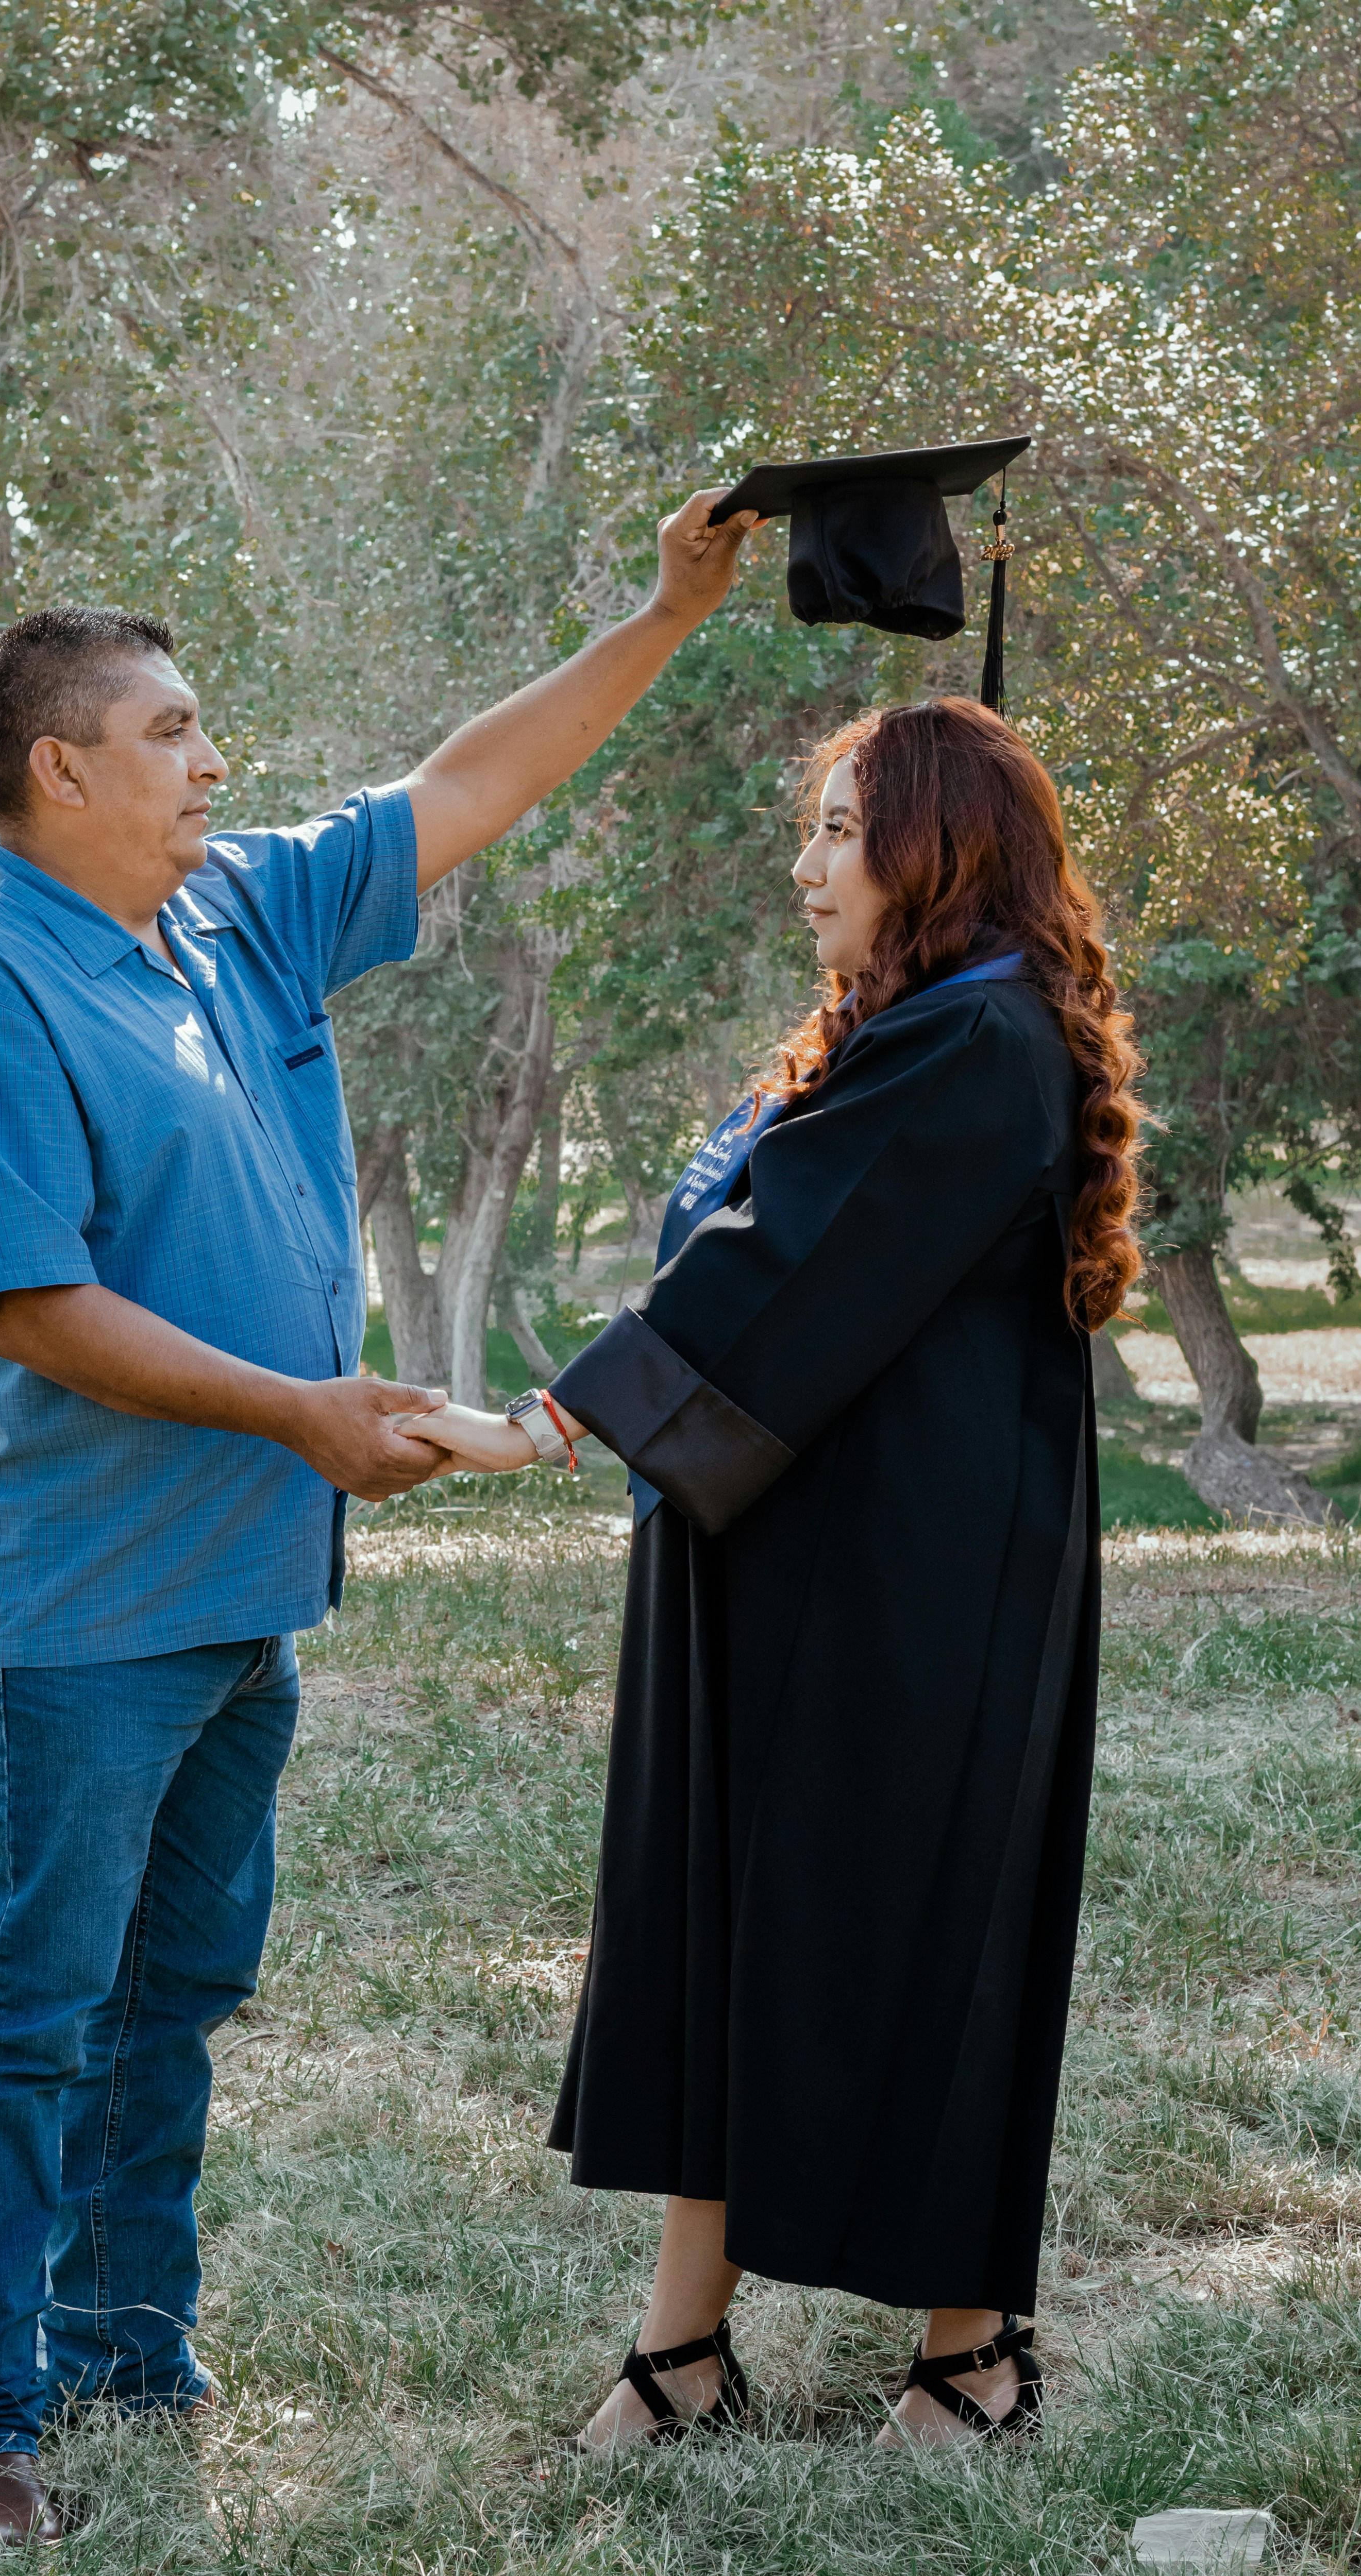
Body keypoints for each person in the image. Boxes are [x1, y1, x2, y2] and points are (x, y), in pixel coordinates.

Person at [0, 489, 759, 2544]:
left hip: (240, 1586)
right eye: (171, 731)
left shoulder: (234, 911)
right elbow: (40, 1302)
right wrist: (308, 1410)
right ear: (58, 766)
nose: (210, 761)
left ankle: (129, 2339)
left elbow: (468, 782)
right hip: (75, 1609)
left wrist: (669, 607)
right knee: (24, 2013)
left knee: (170, 1996)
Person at [398, 696, 1144, 2452]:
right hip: (784, 1545)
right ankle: (686, 2354)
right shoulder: (893, 1026)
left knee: (923, 1927)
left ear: (940, 848)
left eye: (838, 828)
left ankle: (976, 2351)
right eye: (808, 827)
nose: (806, 863)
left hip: (922, 1583)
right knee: (724, 1923)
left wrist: (552, 1423)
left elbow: (786, 1261)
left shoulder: (984, 1039)